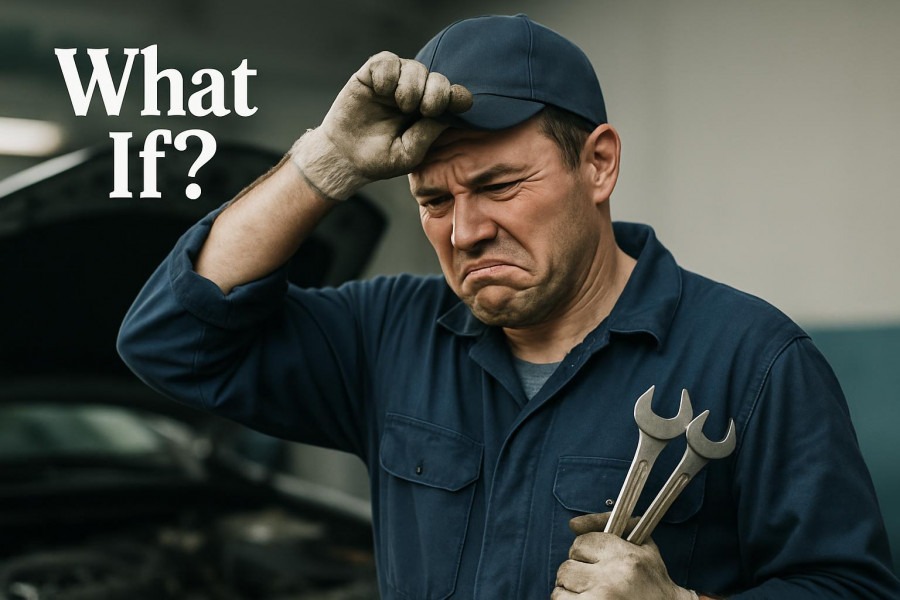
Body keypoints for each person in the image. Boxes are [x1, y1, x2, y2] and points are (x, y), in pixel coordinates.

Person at [117, 14, 900, 599]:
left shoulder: (753, 359)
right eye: (432, 199)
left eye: (498, 185)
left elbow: (853, 589)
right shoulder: (386, 335)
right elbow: (170, 340)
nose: (464, 230)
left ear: (598, 164)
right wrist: (324, 160)